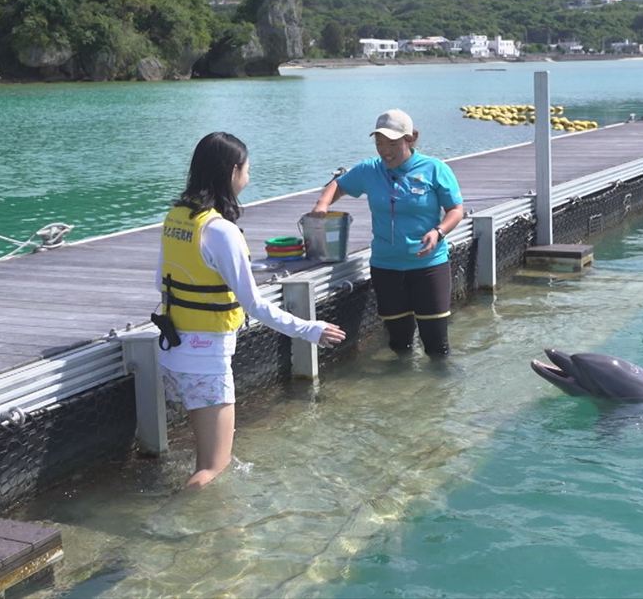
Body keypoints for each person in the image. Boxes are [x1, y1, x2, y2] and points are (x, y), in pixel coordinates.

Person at [155, 131, 346, 490]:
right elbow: (254, 305)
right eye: (247, 168)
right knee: (214, 467)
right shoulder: (220, 231)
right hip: (205, 360)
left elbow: (160, 281)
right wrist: (311, 329)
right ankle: (180, 519)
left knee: (204, 457)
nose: (249, 175)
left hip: (173, 352)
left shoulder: (177, 218)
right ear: (232, 171)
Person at [310, 109, 463, 357]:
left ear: (411, 138)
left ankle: (440, 381)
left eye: (392, 143)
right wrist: (322, 204)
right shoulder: (369, 169)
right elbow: (339, 184)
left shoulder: (434, 169)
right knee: (399, 344)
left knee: (437, 346)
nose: (385, 150)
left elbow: (455, 210)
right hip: (386, 267)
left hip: (429, 265)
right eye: (379, 143)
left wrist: (439, 231)